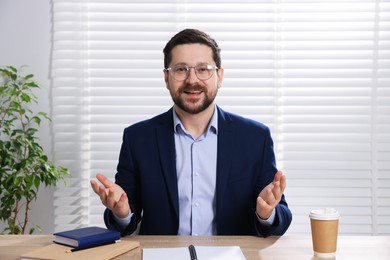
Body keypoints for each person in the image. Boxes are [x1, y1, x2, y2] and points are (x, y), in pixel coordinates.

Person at [91, 28, 292, 237]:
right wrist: (122, 213)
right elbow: (125, 216)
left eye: (203, 69)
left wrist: (266, 214)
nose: (192, 80)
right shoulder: (138, 139)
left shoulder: (255, 138)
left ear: (219, 76)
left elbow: (282, 214)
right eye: (180, 69)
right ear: (166, 78)